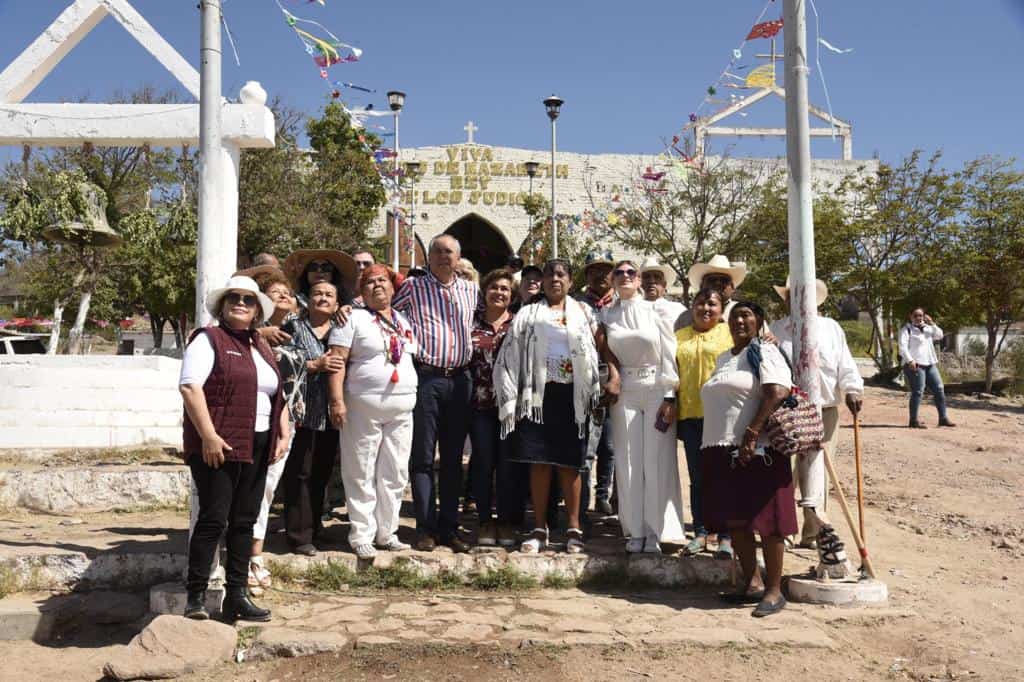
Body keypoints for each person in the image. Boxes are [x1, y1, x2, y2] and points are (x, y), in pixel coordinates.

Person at [179, 275, 289, 622]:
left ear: (257, 310)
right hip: (221, 443)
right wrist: (208, 436)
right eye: (234, 298)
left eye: (248, 299)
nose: (241, 303)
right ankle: (195, 597)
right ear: (223, 306)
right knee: (213, 520)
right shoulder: (208, 339)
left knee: (245, 520)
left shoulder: (259, 344)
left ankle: (237, 596)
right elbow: (190, 388)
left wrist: (282, 429)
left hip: (258, 441)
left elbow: (274, 391)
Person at [494, 259, 602, 554]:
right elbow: (511, 350)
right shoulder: (528, 313)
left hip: (572, 396)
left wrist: (605, 379)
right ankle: (540, 528)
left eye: (561, 274)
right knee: (539, 462)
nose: (555, 279)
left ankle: (573, 528)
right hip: (537, 395)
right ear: (541, 280)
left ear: (570, 281)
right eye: (549, 274)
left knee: (570, 465)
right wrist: (509, 391)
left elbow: (598, 346)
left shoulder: (583, 312)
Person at [700, 301, 795, 617]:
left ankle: (774, 590)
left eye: (747, 315)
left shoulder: (764, 351)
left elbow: (778, 391)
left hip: (758, 450)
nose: (739, 320)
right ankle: (751, 582)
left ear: (759, 321)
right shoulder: (725, 357)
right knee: (738, 520)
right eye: (735, 316)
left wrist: (753, 432)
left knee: (768, 522)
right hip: (722, 448)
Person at [393, 234, 479, 553]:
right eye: (438, 251)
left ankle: (449, 528)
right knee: (423, 457)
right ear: (429, 257)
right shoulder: (414, 288)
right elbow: (386, 314)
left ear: (459, 258)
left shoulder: (472, 291)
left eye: (450, 252)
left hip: (460, 381)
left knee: (454, 459)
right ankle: (425, 528)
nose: (444, 257)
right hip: (427, 379)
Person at [327, 265, 416, 558]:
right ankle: (361, 534)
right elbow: (336, 361)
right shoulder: (350, 318)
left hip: (402, 408)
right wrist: (337, 400)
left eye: (383, 281)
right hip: (362, 406)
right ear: (361, 292)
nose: (377, 286)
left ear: (393, 287)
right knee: (360, 469)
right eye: (370, 283)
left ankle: (387, 532)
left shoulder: (403, 320)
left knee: (395, 472)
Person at [769, 277, 865, 548]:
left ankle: (813, 532)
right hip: (787, 410)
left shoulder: (831, 328)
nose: (796, 300)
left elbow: (845, 363)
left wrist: (852, 390)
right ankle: (783, 529)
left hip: (824, 408)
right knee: (785, 471)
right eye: (792, 296)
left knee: (820, 469)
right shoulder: (777, 329)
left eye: (803, 295)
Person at [600, 260, 684, 553]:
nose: (625, 276)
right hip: (626, 390)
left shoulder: (657, 309)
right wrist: (613, 374)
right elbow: (605, 349)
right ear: (612, 280)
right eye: (619, 273)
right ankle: (634, 530)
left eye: (630, 272)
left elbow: (669, 352)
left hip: (657, 388)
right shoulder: (607, 314)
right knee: (628, 461)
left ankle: (657, 530)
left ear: (638, 280)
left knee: (656, 460)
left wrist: (671, 394)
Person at [249, 274, 307, 595]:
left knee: (268, 487)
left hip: (289, 421)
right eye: (275, 292)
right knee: (254, 487)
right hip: (257, 418)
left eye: (288, 292)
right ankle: (247, 558)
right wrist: (259, 333)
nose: (283, 295)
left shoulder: (298, 331)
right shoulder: (250, 333)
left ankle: (253, 555)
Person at [280, 281, 342, 556]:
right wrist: (313, 366)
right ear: (309, 299)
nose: (323, 298)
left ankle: (316, 529)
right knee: (299, 473)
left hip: (331, 414)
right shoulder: (293, 326)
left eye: (329, 295)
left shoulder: (342, 329)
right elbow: (281, 361)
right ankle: (298, 535)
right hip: (301, 413)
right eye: (317, 293)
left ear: (337, 303)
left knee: (321, 473)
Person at [675, 287, 734, 558]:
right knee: (698, 479)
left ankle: (726, 536)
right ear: (692, 306)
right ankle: (700, 533)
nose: (706, 309)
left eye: (712, 304)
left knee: (724, 478)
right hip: (690, 416)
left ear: (722, 310)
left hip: (723, 417)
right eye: (701, 303)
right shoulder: (679, 337)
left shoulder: (731, 333)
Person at [468, 268, 524, 547]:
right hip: (479, 406)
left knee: (507, 466)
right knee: (483, 463)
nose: (499, 292)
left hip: (510, 408)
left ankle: (505, 521)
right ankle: (484, 521)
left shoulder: (519, 325)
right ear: (485, 291)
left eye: (505, 289)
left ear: (512, 296)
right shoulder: (471, 324)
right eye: (494, 287)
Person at [576, 251, 616, 516]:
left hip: (618, 379)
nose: (600, 275)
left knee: (611, 446)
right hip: (587, 379)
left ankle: (605, 496)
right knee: (587, 446)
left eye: (605, 269)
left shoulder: (621, 304)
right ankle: (583, 506)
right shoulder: (577, 304)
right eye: (594, 270)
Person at [899, 307, 955, 429]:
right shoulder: (907, 330)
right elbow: (902, 347)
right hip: (915, 364)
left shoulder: (928, 329)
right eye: (915, 315)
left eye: (920, 315)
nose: (918, 317)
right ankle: (913, 421)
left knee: (939, 388)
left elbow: (940, 335)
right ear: (911, 316)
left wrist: (932, 323)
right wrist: (910, 360)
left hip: (930, 363)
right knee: (918, 391)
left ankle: (943, 418)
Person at [675, 255, 747, 330]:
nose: (718, 283)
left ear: (732, 288)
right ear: (701, 286)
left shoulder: (744, 313)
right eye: (712, 280)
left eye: (724, 280)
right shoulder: (685, 318)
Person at [283, 249, 357, 312]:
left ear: (334, 273)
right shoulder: (293, 301)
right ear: (306, 273)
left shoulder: (347, 303)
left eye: (326, 267)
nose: (319, 271)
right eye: (313, 267)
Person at [639, 257, 687, 327]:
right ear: (641, 283)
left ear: (664, 284)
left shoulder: (678, 309)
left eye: (657, 277)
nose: (652, 281)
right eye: (646, 277)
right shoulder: (634, 309)